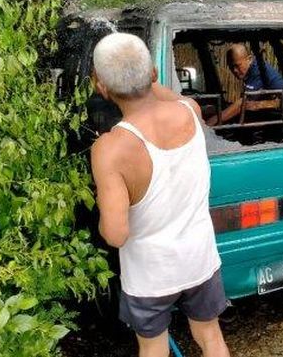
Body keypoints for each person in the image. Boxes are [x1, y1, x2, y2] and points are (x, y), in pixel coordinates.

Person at [90, 32, 231, 357]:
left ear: (101, 87)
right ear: (153, 73)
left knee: (153, 349)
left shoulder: (109, 149)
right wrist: (141, 74)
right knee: (210, 336)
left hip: (150, 276)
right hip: (199, 260)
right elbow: (162, 95)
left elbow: (115, 235)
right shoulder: (190, 111)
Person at [216, 43, 283, 124]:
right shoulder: (253, 69)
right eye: (231, 67)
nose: (234, 70)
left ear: (249, 59)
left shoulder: (258, 70)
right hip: (274, 111)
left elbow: (243, 103)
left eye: (237, 65)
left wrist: (211, 122)